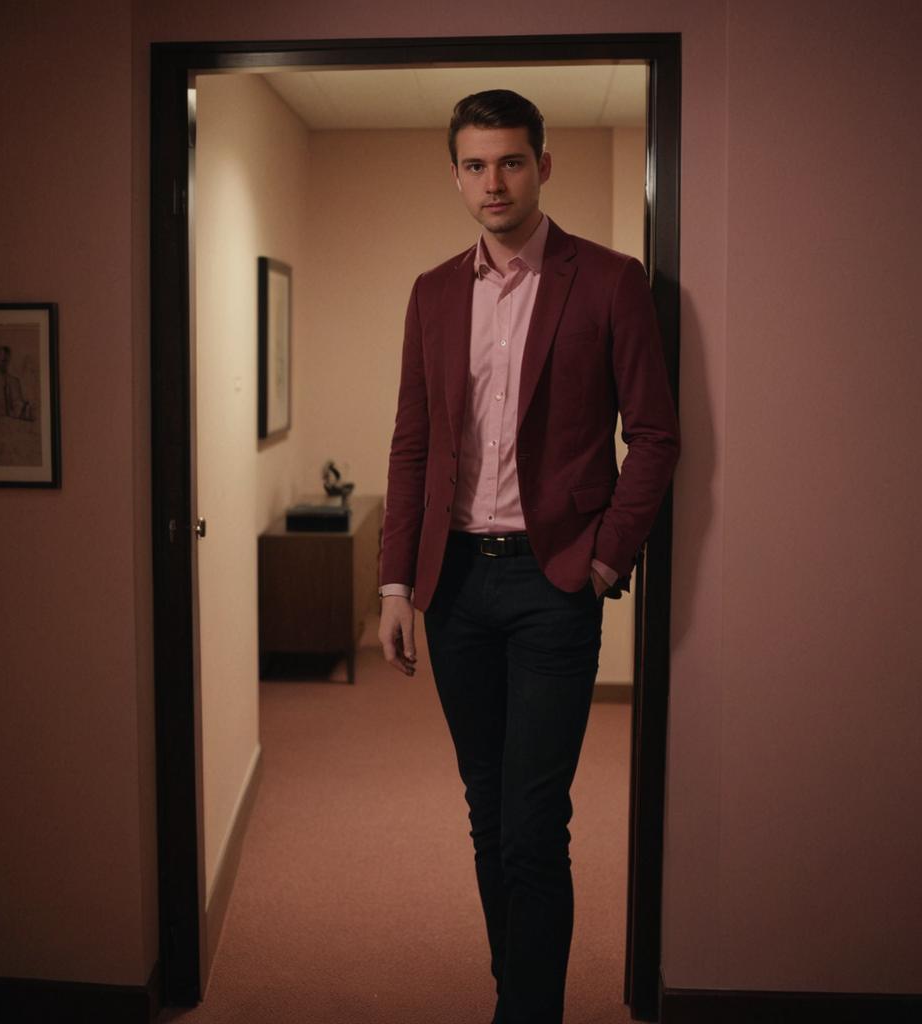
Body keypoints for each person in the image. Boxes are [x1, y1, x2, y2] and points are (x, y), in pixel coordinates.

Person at [377, 90, 680, 1024]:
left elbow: (657, 436)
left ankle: (527, 1013)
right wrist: (395, 582)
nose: (492, 181)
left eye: (510, 161)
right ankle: (517, 990)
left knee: (533, 827)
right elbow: (412, 445)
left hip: (555, 584)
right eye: (474, 164)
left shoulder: (611, 279)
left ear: (543, 166)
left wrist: (602, 560)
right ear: (457, 173)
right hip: (455, 583)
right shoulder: (432, 291)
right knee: (486, 809)